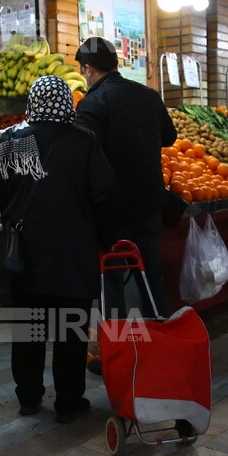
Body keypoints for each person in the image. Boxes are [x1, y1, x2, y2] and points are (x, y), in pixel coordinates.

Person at [0, 76, 116, 420]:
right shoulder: (84, 141)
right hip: (73, 253)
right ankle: (68, 403)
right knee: (69, 331)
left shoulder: (12, 140)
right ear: (65, 102)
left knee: (28, 330)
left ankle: (29, 398)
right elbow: (105, 194)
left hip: (25, 255)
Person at [74, 37, 176, 374]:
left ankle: (113, 357)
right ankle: (161, 346)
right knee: (152, 280)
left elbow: (86, 157)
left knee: (112, 286)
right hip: (149, 204)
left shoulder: (91, 105)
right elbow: (169, 138)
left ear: (88, 68)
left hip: (113, 210)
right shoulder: (147, 95)